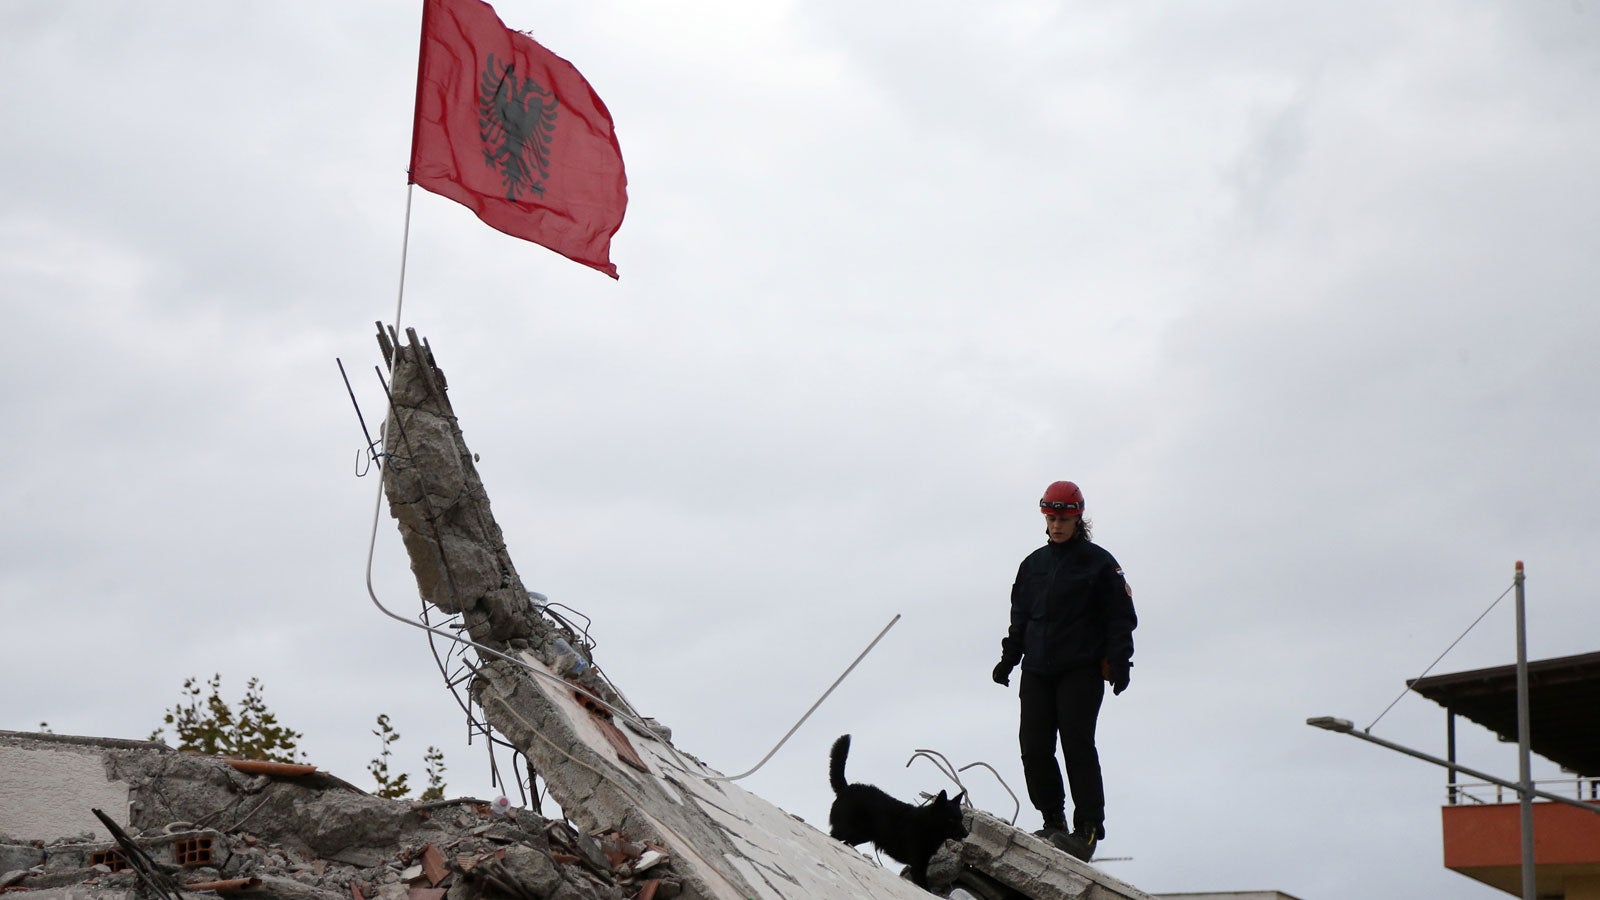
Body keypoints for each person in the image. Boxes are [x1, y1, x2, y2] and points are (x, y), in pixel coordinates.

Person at [991, 480, 1137, 861]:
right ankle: (1052, 821)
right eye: (1051, 518)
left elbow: (1120, 619)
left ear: (1078, 518)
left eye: (1063, 518)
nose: (1056, 525)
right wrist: (1009, 659)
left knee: (1077, 746)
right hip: (1037, 669)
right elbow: (1020, 618)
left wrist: (1119, 662)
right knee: (1034, 747)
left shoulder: (1101, 564)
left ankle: (1087, 830)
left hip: (1080, 670)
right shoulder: (1033, 565)